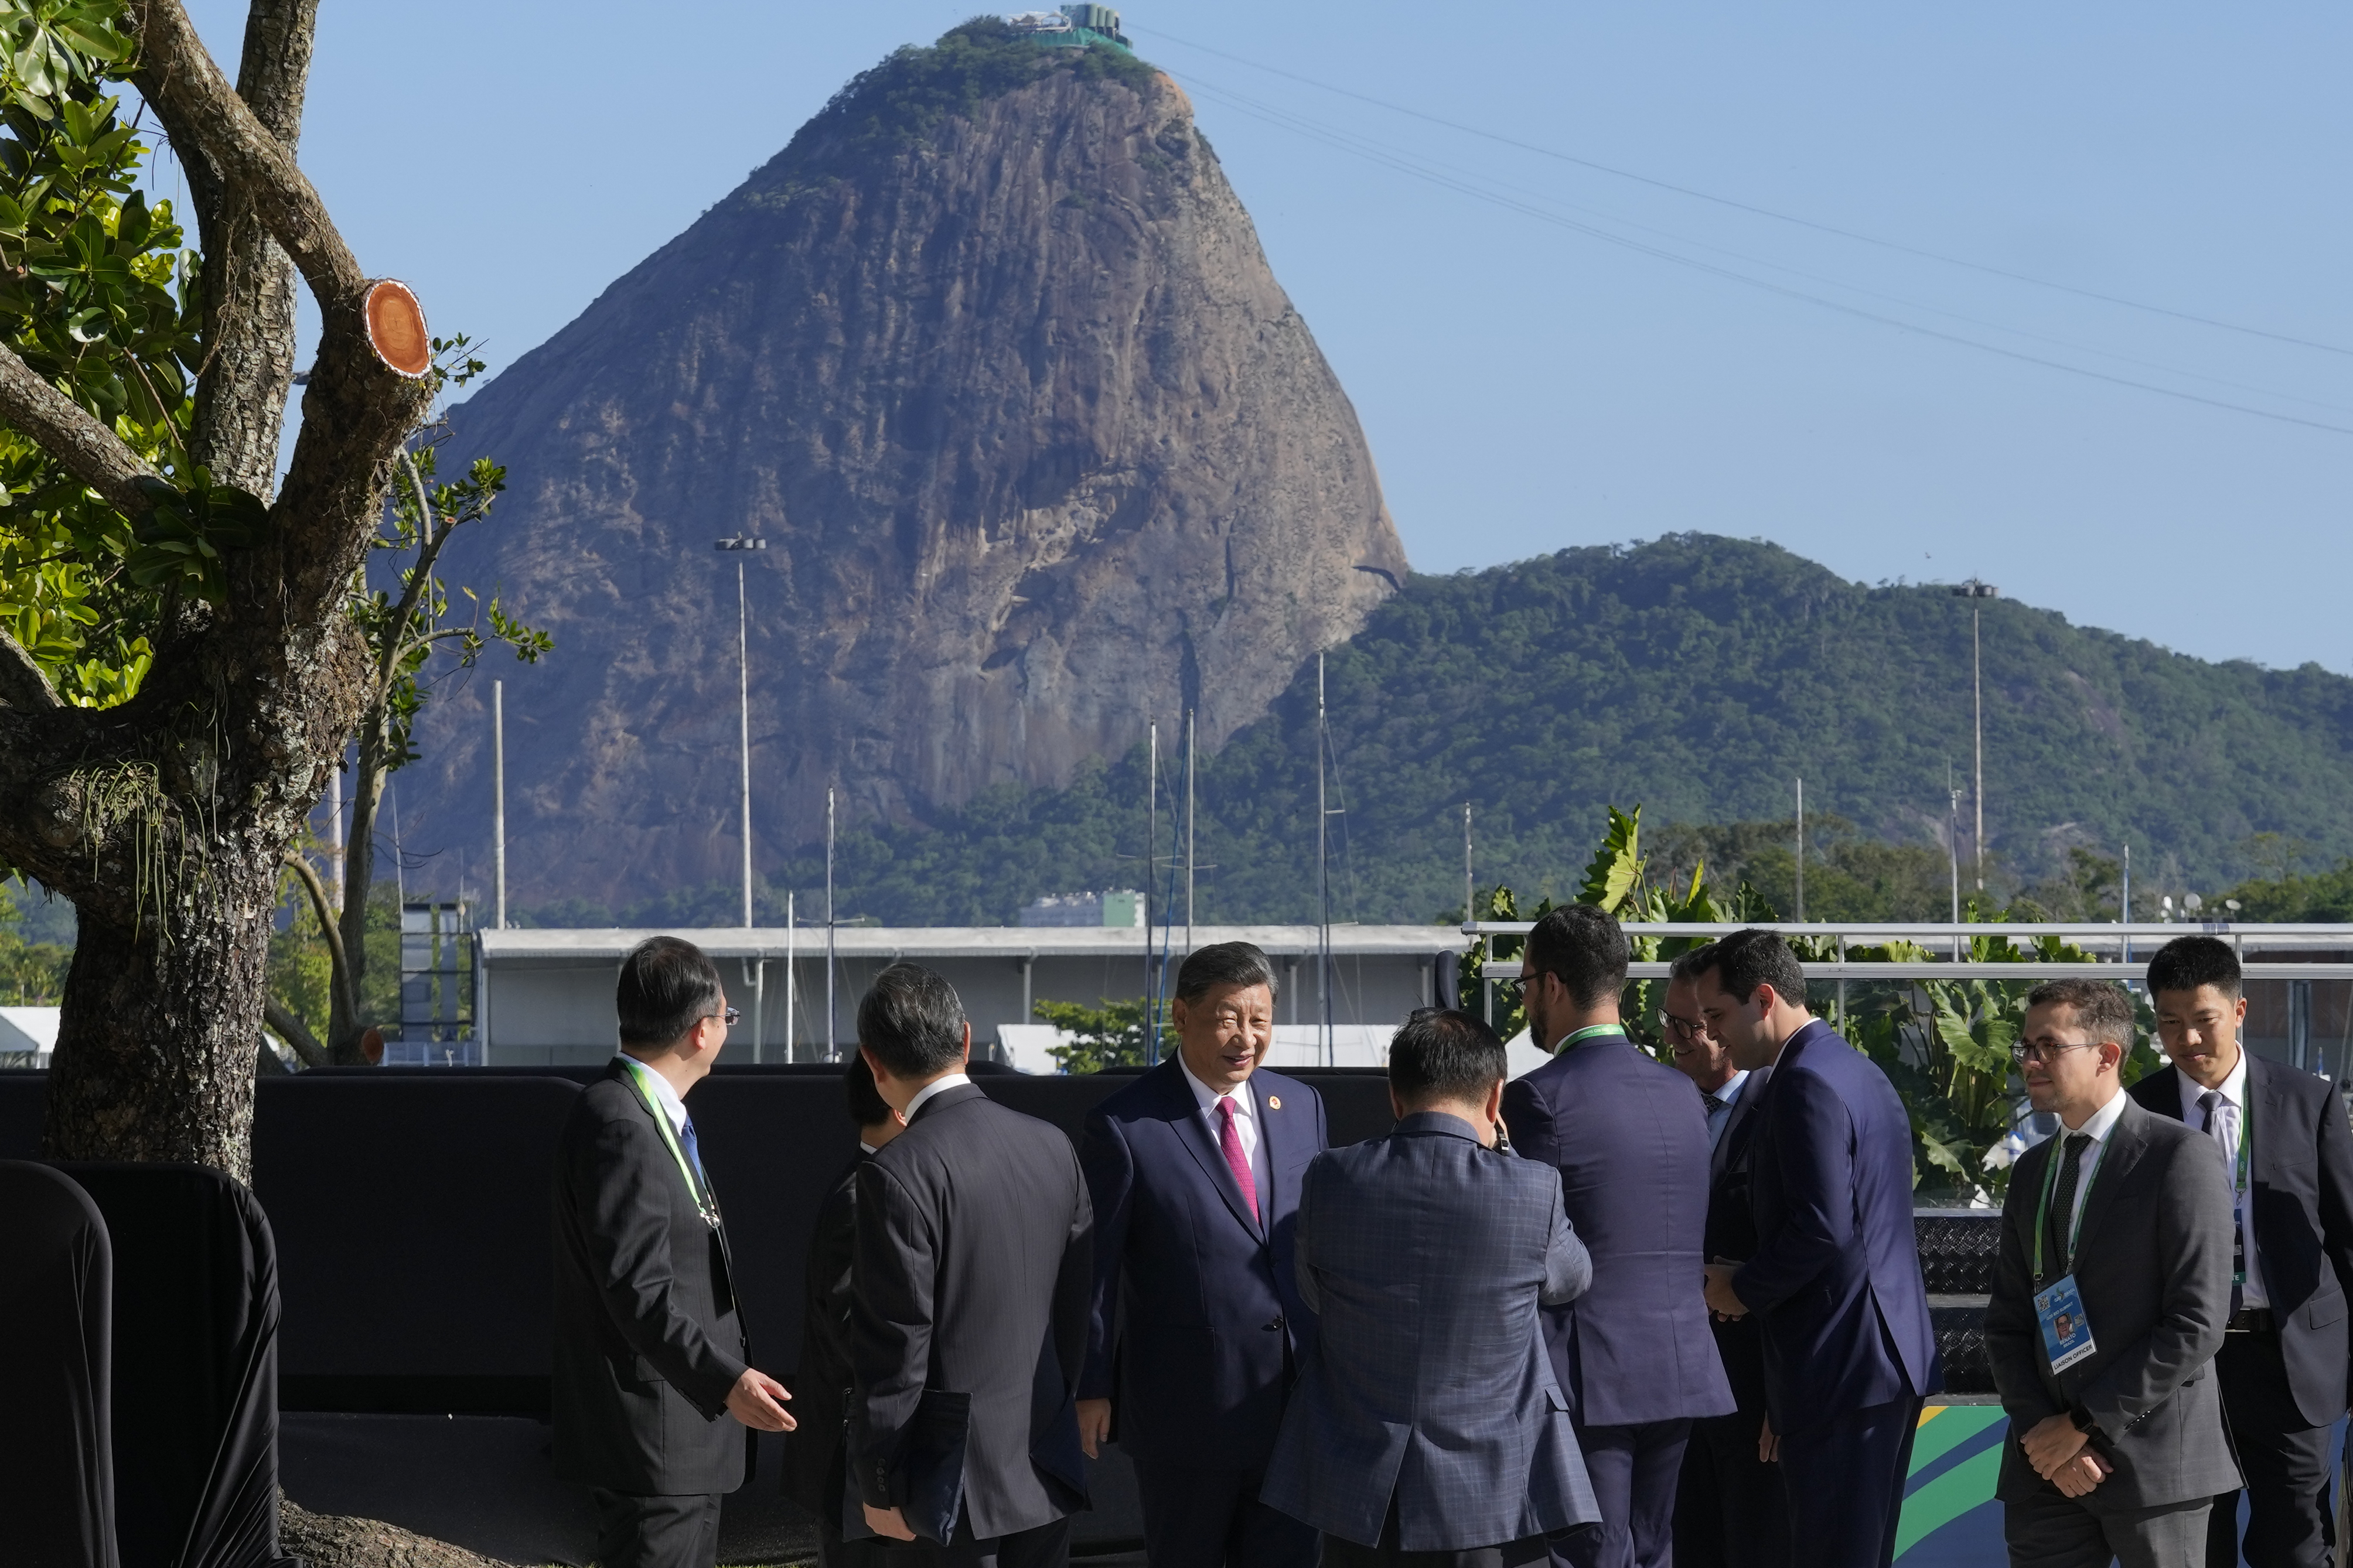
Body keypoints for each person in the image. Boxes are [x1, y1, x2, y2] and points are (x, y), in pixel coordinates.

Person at [1263, 1007, 1601, 1566]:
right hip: (1494, 1488)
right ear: (1497, 1098)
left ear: (1395, 1096)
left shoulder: (1330, 1177)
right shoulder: (1532, 1188)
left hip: (1361, 1487)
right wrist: (1508, 1153)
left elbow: (1313, 1293)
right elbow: (1571, 1279)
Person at [1078, 942, 1328, 1568]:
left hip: (1293, 1407)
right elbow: (1095, 1270)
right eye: (1226, 1018)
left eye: (1259, 1019)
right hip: (1185, 1413)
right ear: (1181, 1015)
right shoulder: (1126, 1125)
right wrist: (1090, 1384)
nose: (1245, 1037)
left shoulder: (1301, 1106)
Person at [1693, 928, 1936, 1568]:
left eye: (1717, 1015)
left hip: (1839, 1363)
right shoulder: (1854, 1069)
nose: (1713, 1034)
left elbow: (1820, 1228)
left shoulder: (1800, 1082)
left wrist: (1738, 1288)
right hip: (1875, 1359)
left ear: (1763, 997)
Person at [552, 935, 796, 1568]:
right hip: (656, 1444)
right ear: (699, 1031)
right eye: (727, 1017)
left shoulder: (642, 1112)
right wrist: (724, 1378)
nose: (726, 1030)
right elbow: (635, 1288)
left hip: (682, 1442)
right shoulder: (619, 1121)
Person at [1501, 905, 1733, 1568]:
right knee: (1653, 1548)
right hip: (1680, 1364)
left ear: (1550, 985)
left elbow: (1532, 1245)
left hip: (1585, 1372)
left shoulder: (1537, 1098)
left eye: (1523, 985)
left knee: (1587, 1551)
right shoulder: (1682, 1092)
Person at [1986, 978, 2239, 1567]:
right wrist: (2041, 1434)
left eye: (2048, 1045)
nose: (2029, 1061)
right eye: (2025, 1047)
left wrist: (2082, 1425)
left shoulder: (2177, 1156)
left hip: (2153, 1468)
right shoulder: (2030, 1171)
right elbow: (2005, 1322)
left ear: (2106, 1055)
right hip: (2043, 1468)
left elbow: (2197, 1323)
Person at [850, 963, 1093, 1568]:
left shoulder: (896, 1172)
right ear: (965, 1038)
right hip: (1043, 1460)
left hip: (948, 1484)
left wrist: (879, 1483)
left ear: (872, 1062)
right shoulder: (1052, 1145)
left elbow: (896, 1344)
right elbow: (1077, 1309)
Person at [2126, 936, 2353, 1568]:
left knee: (2297, 1546)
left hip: (2290, 1363)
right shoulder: (2134, 1115)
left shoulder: (2309, 1102)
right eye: (2170, 1023)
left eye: (2203, 1020)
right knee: (2195, 1546)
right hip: (2179, 1369)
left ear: (2238, 1011)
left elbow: (2346, 1236)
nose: (2188, 1039)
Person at [1661, 947, 1786, 1568]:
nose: (1674, 1039)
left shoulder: (1786, 1106)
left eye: (1688, 1024)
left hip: (1755, 1394)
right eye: (1667, 1023)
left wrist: (1785, 1398)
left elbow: (1813, 1249)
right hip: (1672, 1397)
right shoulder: (1656, 1108)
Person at [782, 1054, 909, 1568]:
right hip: (856, 1463)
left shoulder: (873, 1186)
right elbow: (854, 1334)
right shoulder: (865, 1196)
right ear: (899, 1107)